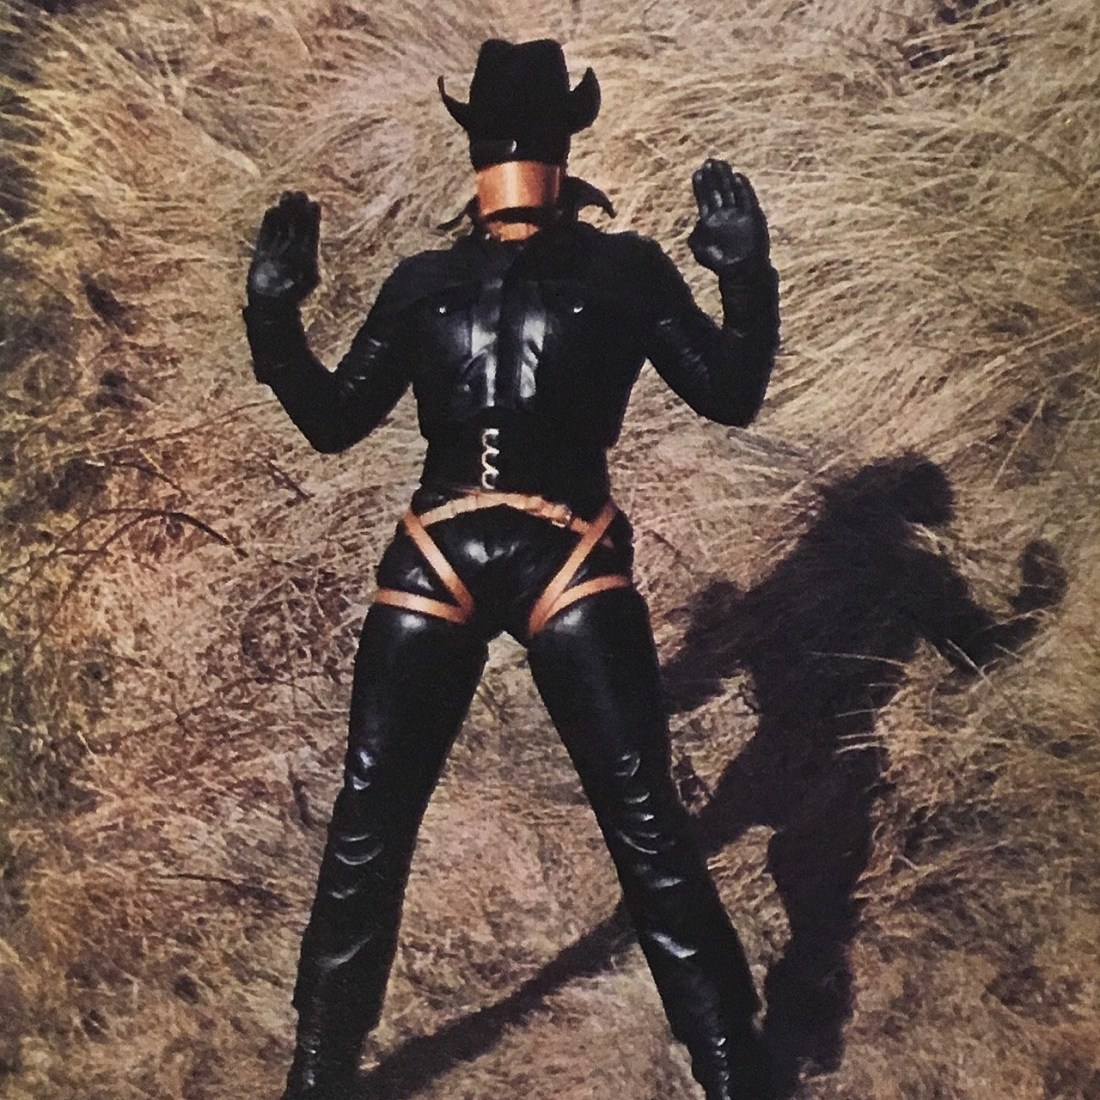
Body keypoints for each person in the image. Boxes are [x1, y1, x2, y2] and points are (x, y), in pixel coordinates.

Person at [243, 38, 781, 1100]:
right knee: (644, 822)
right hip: (567, 549)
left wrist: (273, 318)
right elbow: (730, 393)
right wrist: (746, 279)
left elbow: (331, 421)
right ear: (566, 142)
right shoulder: (621, 269)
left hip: (434, 546)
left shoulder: (423, 282)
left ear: (473, 147)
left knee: (369, 818)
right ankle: (732, 1071)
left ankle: (317, 1074)